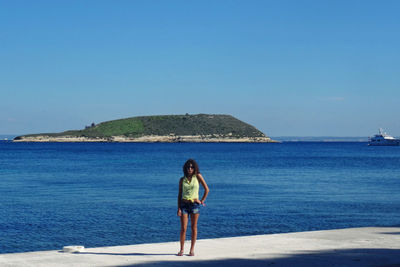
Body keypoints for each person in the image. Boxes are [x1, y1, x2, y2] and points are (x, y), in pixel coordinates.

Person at [177, 159, 209, 256]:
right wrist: (178, 208)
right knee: (183, 228)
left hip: (194, 205)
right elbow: (179, 195)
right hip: (184, 205)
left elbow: (207, 189)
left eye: (192, 167)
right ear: (185, 168)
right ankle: (181, 249)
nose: (190, 169)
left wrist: (201, 200)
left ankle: (192, 250)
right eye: (188, 167)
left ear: (194, 168)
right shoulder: (182, 179)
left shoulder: (198, 177)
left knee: (194, 227)